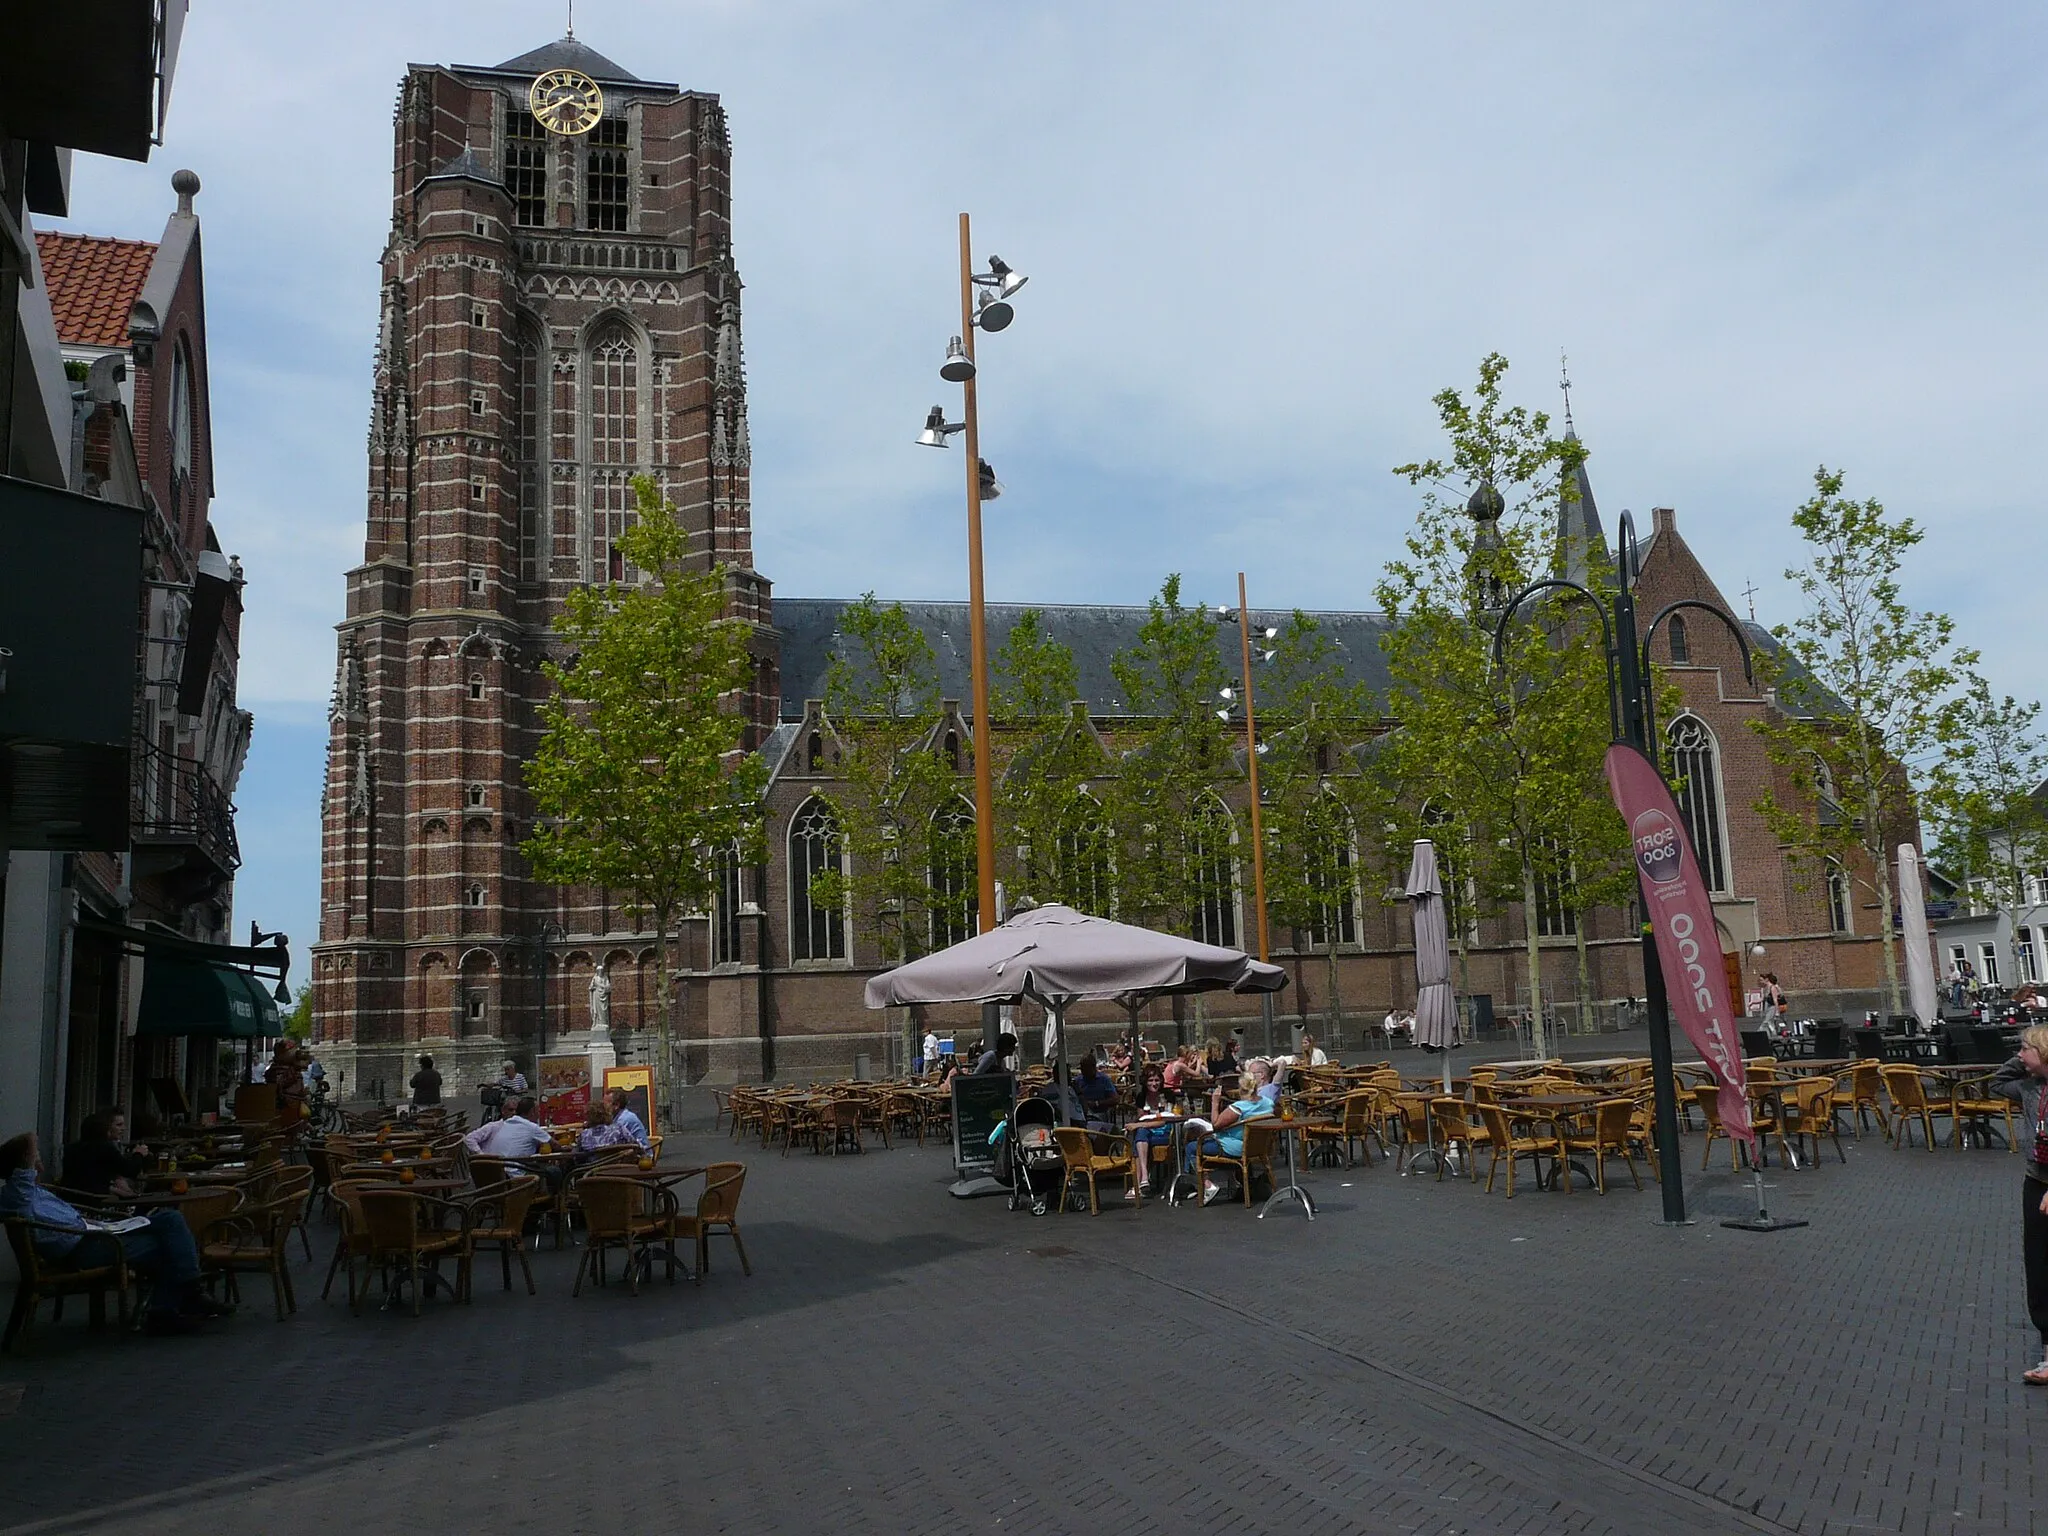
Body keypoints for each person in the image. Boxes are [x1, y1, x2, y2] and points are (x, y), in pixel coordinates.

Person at [0, 1132, 226, 1335]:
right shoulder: (21, 1195)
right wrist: (29, 1148)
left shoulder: (30, 1194)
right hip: (82, 1249)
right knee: (169, 1242)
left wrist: (96, 1223)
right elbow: (26, 1155)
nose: (39, 1164)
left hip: (92, 1234)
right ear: (23, 1166)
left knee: (170, 1221)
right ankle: (179, 1300)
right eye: (35, 1158)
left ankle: (175, 1303)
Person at [1993, 1028, 2048, 1384]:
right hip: (2036, 1182)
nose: (2020, 1052)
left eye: (2026, 1047)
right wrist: (2022, 1060)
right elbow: (1997, 1084)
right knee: (2040, 1266)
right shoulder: (2029, 1089)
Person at [1184, 1068, 1275, 1205]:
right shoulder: (1268, 1103)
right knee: (1209, 1140)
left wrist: (1215, 1103)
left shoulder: (1239, 1108)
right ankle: (1241, 1184)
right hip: (1257, 1147)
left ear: (1241, 1088)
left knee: (1192, 1147)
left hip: (1234, 1149)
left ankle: (1207, 1185)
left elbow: (1216, 1124)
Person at [62, 1109, 151, 1198]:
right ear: (105, 1129)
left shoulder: (72, 1148)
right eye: (119, 1125)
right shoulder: (104, 1147)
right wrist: (139, 1154)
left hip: (71, 1199)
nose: (124, 1128)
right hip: (93, 1203)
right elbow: (130, 1170)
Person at [1125, 1063, 1177, 1199]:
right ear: (1145, 1082)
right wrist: (1139, 1125)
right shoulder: (1142, 1097)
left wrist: (1138, 1126)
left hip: (1166, 1134)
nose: (1154, 1083)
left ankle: (1137, 1184)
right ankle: (1143, 1178)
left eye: (1156, 1080)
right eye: (1150, 1080)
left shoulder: (1168, 1096)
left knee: (1139, 1137)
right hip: (1148, 1134)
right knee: (1140, 1135)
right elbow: (1142, 1119)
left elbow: (1166, 1120)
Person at [464, 1096, 553, 1161]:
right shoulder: (493, 1126)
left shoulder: (523, 1127)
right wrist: (482, 1155)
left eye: (516, 1110)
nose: (514, 1113)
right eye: (511, 1110)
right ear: (503, 1110)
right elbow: (469, 1138)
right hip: (496, 1166)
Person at [1074, 1054, 1118, 1127]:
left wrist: (1096, 1103)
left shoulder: (1104, 1079)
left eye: (1086, 1069)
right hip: (1081, 1113)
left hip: (1099, 1111)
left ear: (1093, 1067)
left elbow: (1115, 1099)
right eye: (1082, 1069)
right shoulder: (1078, 1081)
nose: (1083, 1072)